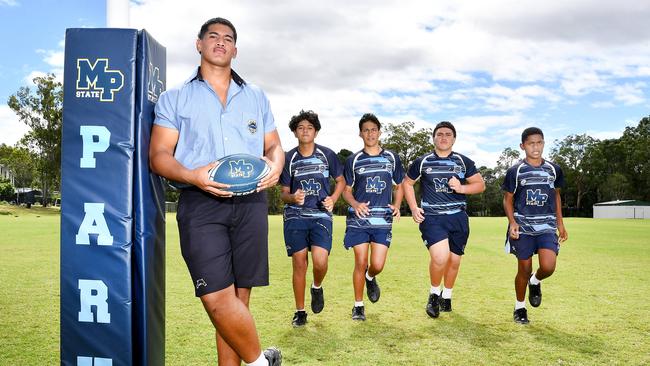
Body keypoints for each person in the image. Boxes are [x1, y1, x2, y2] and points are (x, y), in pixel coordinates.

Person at [149, 17, 282, 366]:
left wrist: (277, 166)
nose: (220, 42)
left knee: (238, 300)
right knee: (216, 298)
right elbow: (159, 156)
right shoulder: (174, 97)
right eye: (213, 36)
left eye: (228, 38)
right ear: (199, 44)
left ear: (235, 49)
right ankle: (261, 363)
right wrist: (192, 175)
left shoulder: (255, 96)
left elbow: (274, 146)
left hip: (251, 202)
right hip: (200, 202)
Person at [403, 121, 485, 318]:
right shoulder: (422, 162)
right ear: (433, 138)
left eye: (448, 134)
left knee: (454, 261)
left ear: (454, 139)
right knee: (440, 257)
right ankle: (433, 295)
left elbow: (480, 185)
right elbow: (407, 183)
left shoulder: (463, 162)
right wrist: (414, 208)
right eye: (439, 134)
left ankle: (446, 296)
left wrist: (462, 188)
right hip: (432, 218)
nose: (443, 137)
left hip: (458, 217)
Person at [279, 109, 345, 327]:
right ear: (295, 132)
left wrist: (333, 198)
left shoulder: (327, 154)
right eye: (300, 128)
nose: (305, 131)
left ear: (315, 131)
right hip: (295, 216)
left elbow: (341, 181)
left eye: (309, 127)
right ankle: (300, 311)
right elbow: (283, 194)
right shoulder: (289, 158)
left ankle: (317, 286)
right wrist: (292, 197)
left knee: (320, 260)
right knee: (299, 263)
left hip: (320, 215)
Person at [502, 127, 568, 324]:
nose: (535, 147)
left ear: (544, 143)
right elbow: (507, 199)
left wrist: (560, 224)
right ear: (523, 146)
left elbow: (556, 195)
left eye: (539, 142)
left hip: (546, 226)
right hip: (523, 227)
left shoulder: (554, 169)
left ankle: (535, 281)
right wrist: (512, 222)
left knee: (548, 266)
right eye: (531, 143)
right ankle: (520, 307)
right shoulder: (516, 171)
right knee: (524, 268)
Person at [342, 113, 404, 321]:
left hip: (382, 220)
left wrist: (396, 204)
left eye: (373, 129)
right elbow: (346, 190)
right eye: (366, 130)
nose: (370, 133)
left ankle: (371, 277)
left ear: (379, 132)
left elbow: (400, 185)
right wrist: (355, 204)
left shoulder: (392, 158)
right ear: (360, 133)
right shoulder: (354, 160)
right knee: (360, 261)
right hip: (359, 219)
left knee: (377, 264)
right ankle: (358, 306)